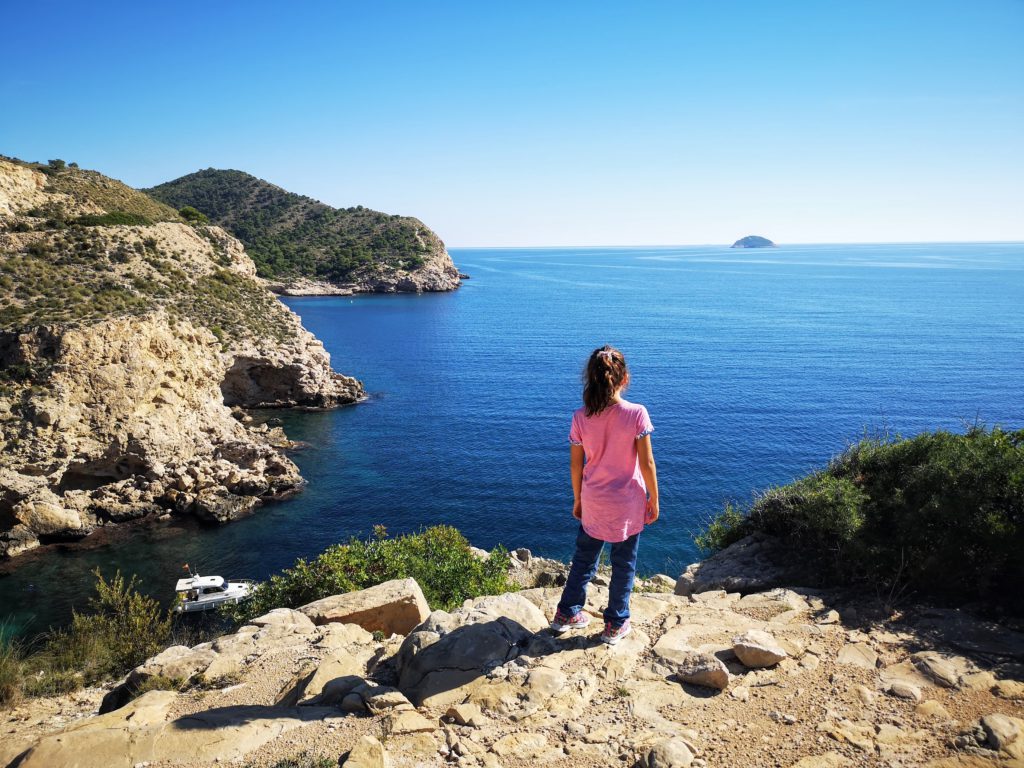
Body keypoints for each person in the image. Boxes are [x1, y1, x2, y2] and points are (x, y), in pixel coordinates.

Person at [551, 345, 659, 645]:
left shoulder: (580, 417)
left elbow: (576, 464)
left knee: (584, 559)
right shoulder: (637, 414)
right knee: (624, 563)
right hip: (627, 502)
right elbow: (647, 463)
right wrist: (654, 499)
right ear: (624, 378)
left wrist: (578, 499)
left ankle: (566, 614)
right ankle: (615, 623)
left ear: (591, 379)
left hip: (594, 500)